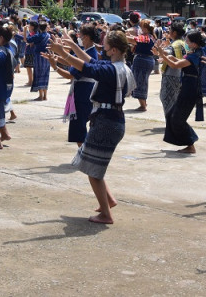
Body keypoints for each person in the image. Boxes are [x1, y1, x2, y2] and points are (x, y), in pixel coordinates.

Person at [47, 30, 135, 225]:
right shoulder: (120, 66)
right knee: (95, 165)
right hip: (113, 121)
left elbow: (87, 68)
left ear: (112, 50)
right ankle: (109, 201)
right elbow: (91, 62)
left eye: (104, 45)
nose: (101, 47)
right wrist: (72, 46)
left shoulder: (111, 70)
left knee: (93, 171)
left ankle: (106, 214)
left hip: (106, 123)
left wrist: (63, 52)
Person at [154, 31, 205, 153]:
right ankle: (188, 143)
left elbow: (175, 65)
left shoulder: (195, 56)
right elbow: (176, 60)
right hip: (186, 88)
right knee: (172, 115)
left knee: (177, 119)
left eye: (187, 41)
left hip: (190, 90)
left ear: (193, 43)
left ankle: (190, 144)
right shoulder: (193, 53)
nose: (185, 43)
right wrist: (164, 55)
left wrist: (163, 55)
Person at [47, 24, 99, 146]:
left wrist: (54, 66)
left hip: (83, 94)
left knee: (78, 128)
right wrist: (55, 57)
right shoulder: (87, 51)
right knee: (80, 126)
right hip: (84, 92)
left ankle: (83, 154)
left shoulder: (89, 53)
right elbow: (70, 60)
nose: (78, 37)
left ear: (86, 37)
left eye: (80, 34)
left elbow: (70, 75)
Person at [158, 22, 187, 117]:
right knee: (177, 100)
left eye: (169, 30)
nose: (168, 32)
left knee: (167, 99)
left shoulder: (174, 45)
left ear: (174, 33)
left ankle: (170, 122)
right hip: (182, 75)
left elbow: (168, 53)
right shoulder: (184, 43)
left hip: (171, 75)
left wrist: (160, 51)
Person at [129, 19, 155, 111]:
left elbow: (132, 40)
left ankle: (143, 105)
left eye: (141, 26)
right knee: (142, 82)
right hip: (146, 60)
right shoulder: (150, 37)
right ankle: (143, 103)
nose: (140, 28)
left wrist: (121, 36)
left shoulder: (145, 37)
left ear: (145, 28)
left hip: (142, 61)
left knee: (140, 82)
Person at [27, 20, 51, 101]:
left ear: (39, 28)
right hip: (47, 57)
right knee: (46, 75)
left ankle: (41, 95)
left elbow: (27, 40)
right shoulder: (49, 36)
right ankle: (45, 96)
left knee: (39, 74)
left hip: (39, 57)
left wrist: (24, 31)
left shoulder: (38, 36)